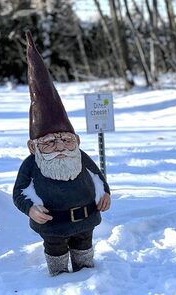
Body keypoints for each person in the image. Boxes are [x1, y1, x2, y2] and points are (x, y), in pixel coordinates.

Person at [12, 32, 112, 276]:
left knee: (84, 249)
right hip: (52, 224)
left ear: (76, 141)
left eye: (66, 140)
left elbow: (98, 177)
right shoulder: (31, 165)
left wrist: (105, 193)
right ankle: (58, 277)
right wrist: (30, 209)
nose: (59, 147)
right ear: (33, 147)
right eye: (49, 143)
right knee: (55, 251)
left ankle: (86, 271)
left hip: (85, 220)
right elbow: (19, 192)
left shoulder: (80, 157)